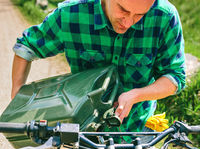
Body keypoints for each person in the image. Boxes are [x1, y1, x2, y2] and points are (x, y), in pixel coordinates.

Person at [11, 0, 185, 133]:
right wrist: (17, 97)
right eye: (123, 10)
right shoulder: (71, 13)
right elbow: (27, 47)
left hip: (137, 129)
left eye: (140, 15)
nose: (128, 22)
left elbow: (175, 76)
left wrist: (135, 95)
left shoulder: (165, 17)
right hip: (81, 129)